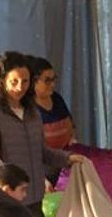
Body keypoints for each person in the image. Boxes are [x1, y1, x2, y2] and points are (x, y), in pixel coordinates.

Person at [0, 50, 85, 216]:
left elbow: (41, 151)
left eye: (25, 81)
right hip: (8, 198)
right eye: (14, 81)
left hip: (34, 196)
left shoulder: (32, 110)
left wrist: (68, 158)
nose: (20, 87)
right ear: (2, 80)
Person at [28, 55, 78, 188]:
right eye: (47, 80)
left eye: (54, 79)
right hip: (43, 170)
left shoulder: (56, 98)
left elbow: (71, 124)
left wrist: (72, 138)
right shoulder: (28, 108)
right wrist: (41, 179)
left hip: (65, 162)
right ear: (34, 82)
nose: (53, 84)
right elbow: (30, 151)